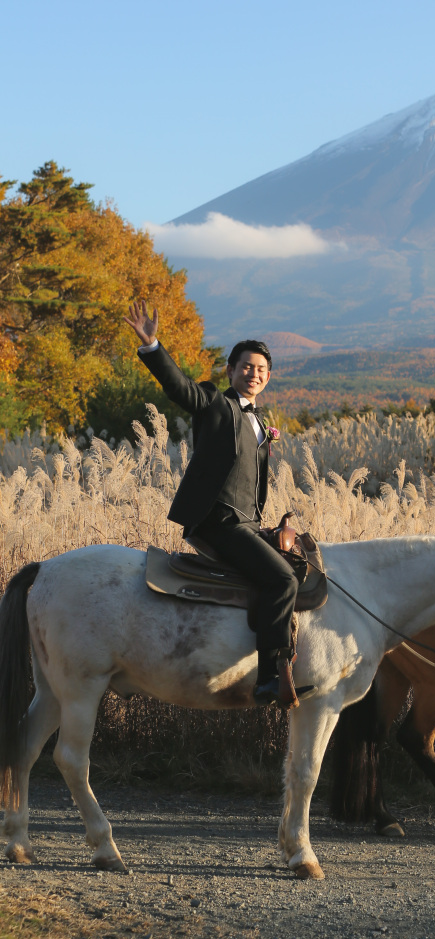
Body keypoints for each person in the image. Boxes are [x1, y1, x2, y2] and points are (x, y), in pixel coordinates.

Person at [124, 300, 309, 707]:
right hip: (218, 522)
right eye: (246, 367)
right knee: (282, 581)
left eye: (261, 370)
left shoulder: (261, 421)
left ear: (269, 377)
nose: (254, 374)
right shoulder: (216, 404)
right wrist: (153, 345)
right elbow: (179, 388)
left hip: (246, 524)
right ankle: (269, 679)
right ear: (230, 370)